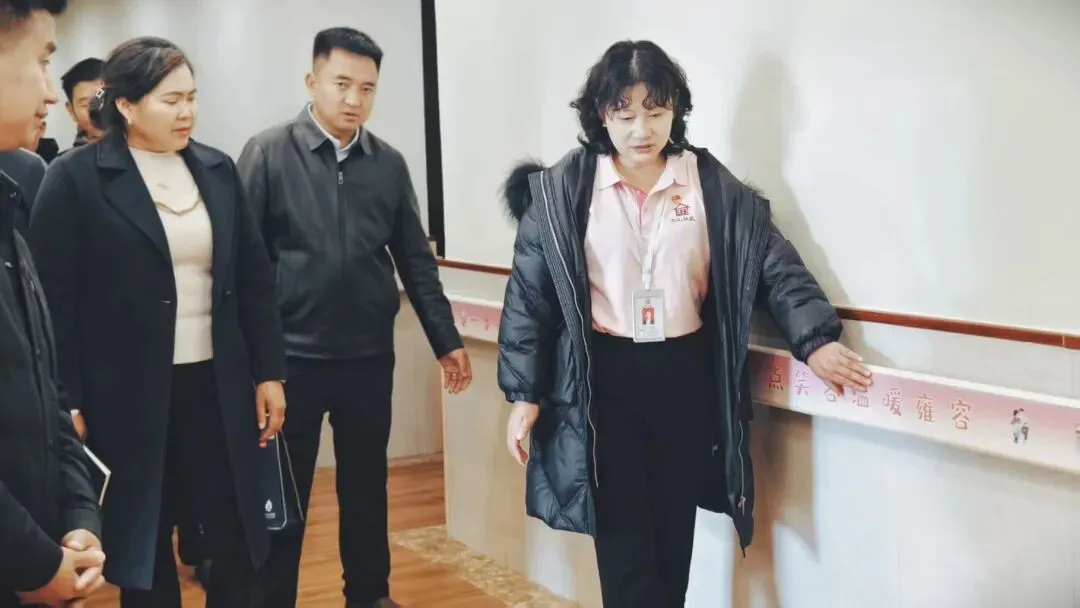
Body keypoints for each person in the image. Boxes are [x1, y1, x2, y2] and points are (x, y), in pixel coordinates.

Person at [497, 40, 874, 607]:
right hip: (603, 385)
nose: (641, 129)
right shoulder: (564, 191)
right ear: (601, 114)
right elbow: (530, 298)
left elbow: (772, 265)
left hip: (683, 380)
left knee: (673, 548)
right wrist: (525, 394)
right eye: (625, 114)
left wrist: (815, 340)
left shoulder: (709, 186)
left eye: (656, 111)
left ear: (676, 110)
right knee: (626, 553)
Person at [28, 35, 288, 607]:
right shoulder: (76, 178)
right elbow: (52, 305)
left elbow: (253, 280)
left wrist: (269, 371)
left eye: (192, 98)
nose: (187, 112)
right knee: (145, 545)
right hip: (126, 395)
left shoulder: (217, 170)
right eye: (171, 100)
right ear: (126, 105)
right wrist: (67, 400)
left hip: (217, 385)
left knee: (234, 533)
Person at [237, 27, 471, 608]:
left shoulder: (387, 164)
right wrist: (256, 364)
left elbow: (415, 261)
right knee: (284, 498)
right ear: (312, 81)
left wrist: (446, 340)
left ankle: (370, 596)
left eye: (367, 89)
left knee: (367, 488)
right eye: (341, 84)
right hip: (290, 361)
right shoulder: (267, 154)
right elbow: (243, 268)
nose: (353, 100)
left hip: (367, 357)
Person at [0, 0, 107, 606]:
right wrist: (37, 564)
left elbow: (45, 391)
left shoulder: (15, 205)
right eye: (41, 61)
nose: (50, 91)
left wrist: (78, 519)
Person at [59, 57, 106, 149]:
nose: (98, 110)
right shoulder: (69, 158)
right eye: (86, 105)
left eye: (104, 99)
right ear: (71, 111)